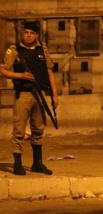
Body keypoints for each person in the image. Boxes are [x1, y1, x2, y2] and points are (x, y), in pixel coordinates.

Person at [0, 21, 59, 175]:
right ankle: (18, 163)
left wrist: (54, 94)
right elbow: (3, 71)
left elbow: (49, 72)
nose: (28, 35)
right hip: (23, 94)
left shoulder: (42, 50)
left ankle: (37, 163)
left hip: (39, 95)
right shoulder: (15, 50)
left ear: (37, 35)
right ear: (22, 33)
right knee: (19, 130)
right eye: (26, 32)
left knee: (38, 129)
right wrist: (20, 75)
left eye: (32, 33)